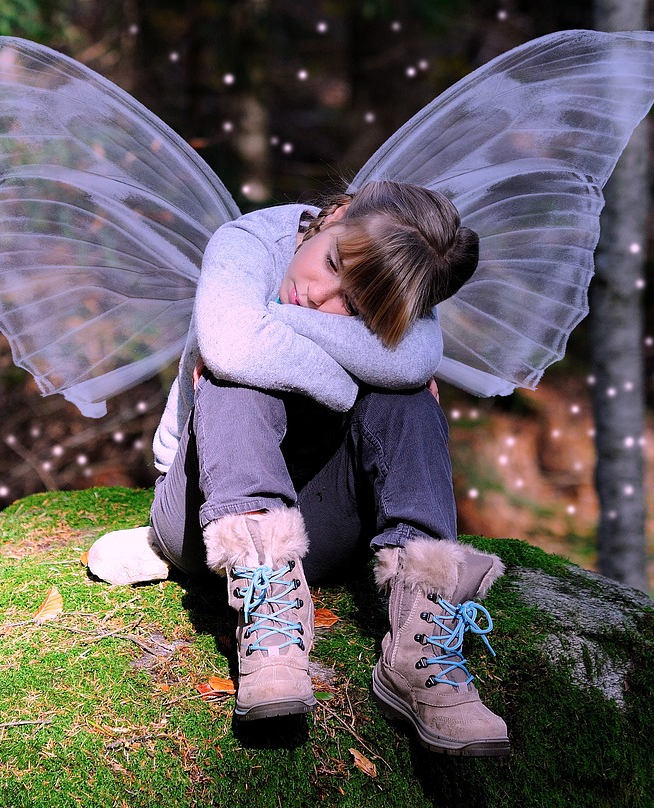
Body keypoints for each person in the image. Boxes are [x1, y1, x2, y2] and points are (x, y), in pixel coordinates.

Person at [89, 180, 511, 757]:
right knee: (234, 373)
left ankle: (423, 643)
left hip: (323, 527)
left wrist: (270, 327)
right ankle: (270, 635)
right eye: (333, 262)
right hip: (206, 513)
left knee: (410, 401)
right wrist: (355, 373)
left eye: (356, 310)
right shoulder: (248, 242)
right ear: (337, 212)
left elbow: (416, 361)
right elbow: (231, 347)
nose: (321, 297)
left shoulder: (402, 277)